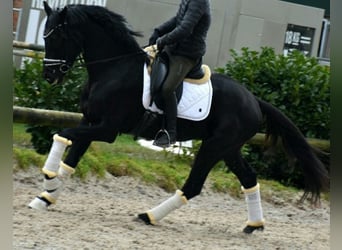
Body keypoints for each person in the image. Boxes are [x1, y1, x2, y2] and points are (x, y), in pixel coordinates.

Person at [149, 0, 211, 147]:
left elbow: (185, 29)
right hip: (174, 49)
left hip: (187, 54)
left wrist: (161, 41)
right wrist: (158, 30)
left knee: (168, 88)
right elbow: (177, 20)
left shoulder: (200, 2)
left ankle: (171, 134)